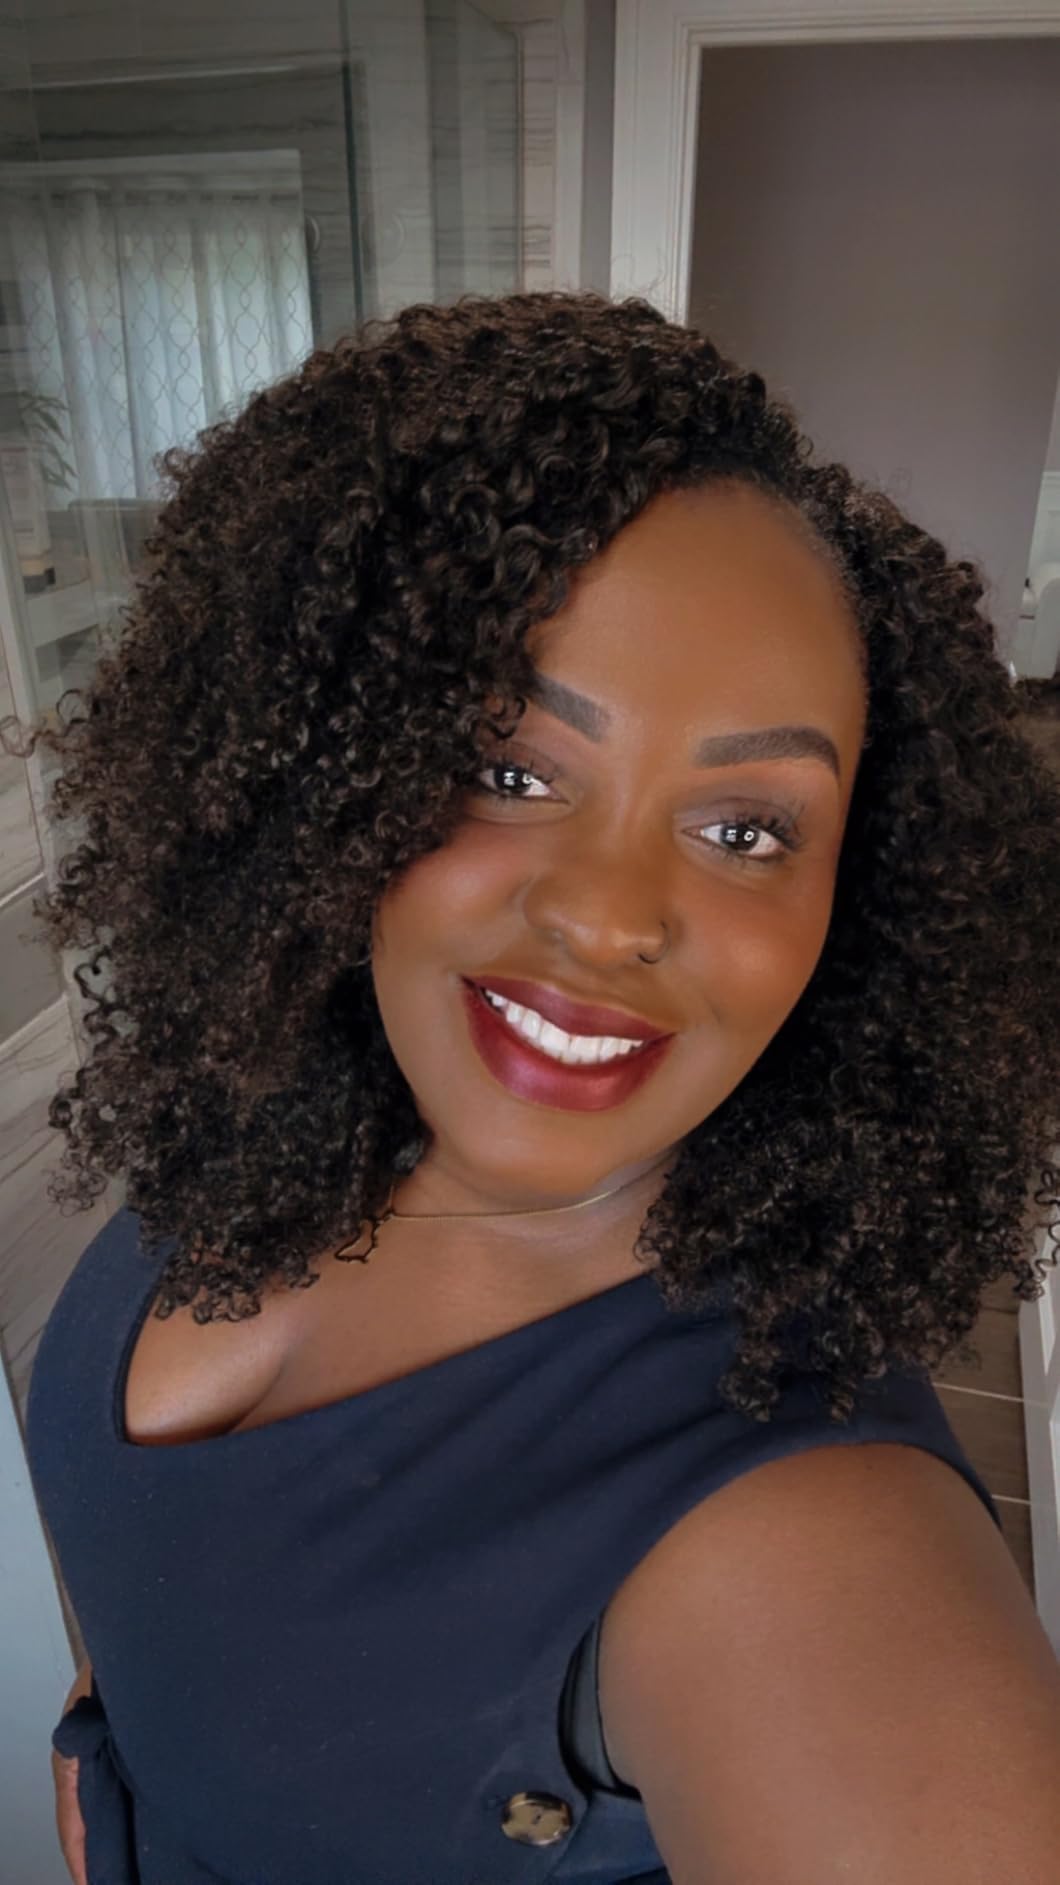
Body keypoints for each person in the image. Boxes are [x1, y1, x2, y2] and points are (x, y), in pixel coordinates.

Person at [16, 290, 1060, 1885]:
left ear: (859, 895)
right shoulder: (287, 1098)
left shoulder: (806, 1534)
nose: (610, 915)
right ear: (334, 768)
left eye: (746, 828)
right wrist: (133, 1727)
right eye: (509, 770)